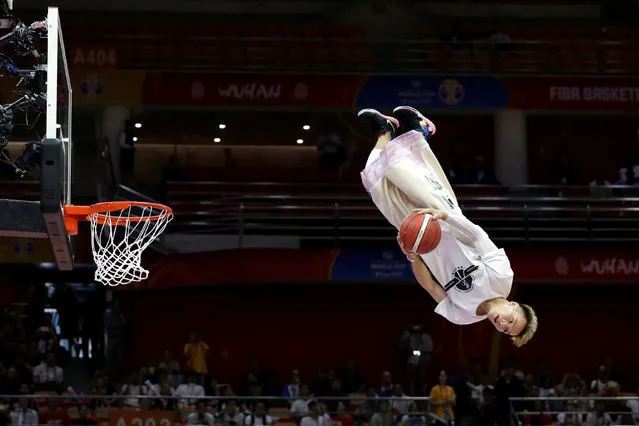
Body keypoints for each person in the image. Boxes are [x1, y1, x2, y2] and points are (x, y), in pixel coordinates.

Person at [358, 106, 537, 346]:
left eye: (505, 330)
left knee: (377, 185)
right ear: (513, 305)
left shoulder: (463, 316)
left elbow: (430, 285)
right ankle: (419, 131)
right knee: (407, 172)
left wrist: (413, 257)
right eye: (511, 321)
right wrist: (444, 214)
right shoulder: (503, 278)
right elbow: (477, 236)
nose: (503, 325)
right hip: (444, 218)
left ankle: (385, 130)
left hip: (419, 238)